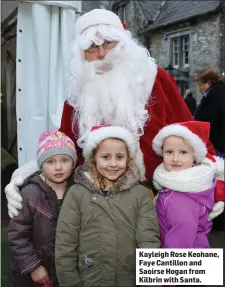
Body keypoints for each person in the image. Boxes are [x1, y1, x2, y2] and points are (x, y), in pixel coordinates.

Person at [5, 9, 224, 221]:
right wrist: (31, 178)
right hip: (99, 202)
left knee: (163, 255)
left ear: (123, 44)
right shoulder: (78, 95)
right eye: (91, 48)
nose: (101, 54)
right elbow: (63, 146)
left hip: (159, 197)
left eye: (108, 43)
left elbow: (191, 132)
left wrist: (215, 178)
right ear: (81, 55)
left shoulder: (154, 79)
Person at [55, 125, 160, 286]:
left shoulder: (141, 194)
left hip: (127, 279)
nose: (113, 164)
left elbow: (148, 241)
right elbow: (66, 242)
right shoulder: (77, 194)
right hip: (89, 279)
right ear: (93, 158)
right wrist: (70, 281)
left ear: (128, 159)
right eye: (105, 157)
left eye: (119, 157)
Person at [8, 130, 77, 287]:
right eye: (50, 161)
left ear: (73, 163)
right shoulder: (29, 194)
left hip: (64, 273)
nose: (58, 167)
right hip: (29, 277)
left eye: (65, 160)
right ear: (41, 164)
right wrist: (33, 267)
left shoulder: (78, 192)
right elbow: (17, 236)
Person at [152, 121, 224, 248]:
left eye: (183, 152)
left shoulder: (180, 199)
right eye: (169, 152)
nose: (175, 158)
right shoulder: (198, 183)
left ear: (195, 156)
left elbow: (180, 246)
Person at [195, 67, 225, 157]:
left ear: (208, 82)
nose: (200, 89)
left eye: (200, 85)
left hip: (218, 143)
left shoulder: (212, 96)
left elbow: (204, 119)